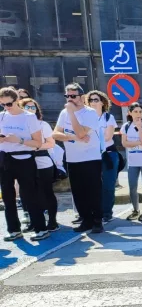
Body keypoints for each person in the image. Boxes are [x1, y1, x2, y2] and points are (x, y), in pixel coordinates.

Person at [0, 87, 50, 241]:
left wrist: (19, 140)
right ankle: (14, 230)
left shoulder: (29, 117)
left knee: (30, 195)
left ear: (17, 101)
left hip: (24, 158)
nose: (6, 108)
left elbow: (38, 143)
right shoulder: (1, 117)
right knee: (8, 196)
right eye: (2, 105)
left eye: (9, 104)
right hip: (4, 159)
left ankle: (40, 228)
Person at [54, 83, 103, 234]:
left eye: (73, 96)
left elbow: (82, 133)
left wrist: (72, 114)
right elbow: (55, 134)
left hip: (90, 158)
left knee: (93, 191)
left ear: (82, 97)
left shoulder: (90, 113)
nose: (70, 99)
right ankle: (85, 219)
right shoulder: (64, 113)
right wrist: (71, 137)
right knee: (78, 192)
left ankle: (97, 221)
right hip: (72, 159)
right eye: (67, 96)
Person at [21, 98, 60, 233]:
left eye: (33, 108)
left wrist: (36, 146)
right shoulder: (20, 125)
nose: (31, 110)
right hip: (25, 162)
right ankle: (34, 221)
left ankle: (53, 221)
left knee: (46, 192)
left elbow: (51, 143)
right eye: (27, 107)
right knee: (29, 194)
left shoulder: (43, 125)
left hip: (43, 161)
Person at [87, 90, 119, 223]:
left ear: (102, 102)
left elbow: (108, 137)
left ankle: (107, 212)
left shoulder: (108, 118)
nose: (93, 102)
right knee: (92, 185)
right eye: (90, 100)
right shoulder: (85, 118)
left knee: (108, 185)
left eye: (96, 100)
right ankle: (93, 212)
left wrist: (90, 137)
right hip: (90, 155)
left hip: (108, 154)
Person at [121, 102, 142, 221]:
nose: (138, 114)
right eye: (135, 111)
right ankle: (135, 210)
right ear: (130, 113)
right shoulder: (126, 126)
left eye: (140, 111)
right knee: (132, 186)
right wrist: (139, 142)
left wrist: (140, 128)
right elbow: (124, 143)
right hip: (133, 161)